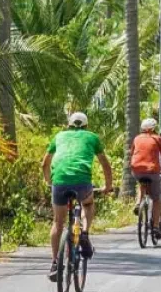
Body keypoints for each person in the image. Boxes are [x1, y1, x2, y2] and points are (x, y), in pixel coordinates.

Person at [40, 111, 115, 277]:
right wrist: (108, 186)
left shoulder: (59, 137)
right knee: (87, 203)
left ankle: (54, 263)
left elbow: (45, 163)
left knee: (57, 222)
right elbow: (106, 165)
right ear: (86, 126)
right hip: (82, 183)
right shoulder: (92, 137)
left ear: (69, 125)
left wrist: (49, 181)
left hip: (59, 182)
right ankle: (85, 233)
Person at [129, 117, 161, 236]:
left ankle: (138, 203)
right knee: (157, 198)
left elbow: (132, 154)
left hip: (136, 169)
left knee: (141, 183)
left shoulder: (136, 138)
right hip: (152, 170)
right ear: (154, 128)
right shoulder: (157, 138)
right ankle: (156, 227)